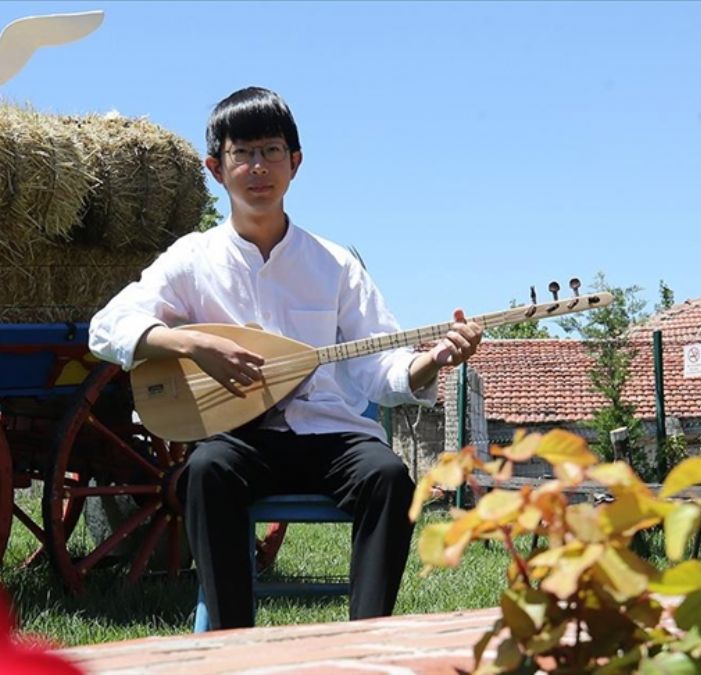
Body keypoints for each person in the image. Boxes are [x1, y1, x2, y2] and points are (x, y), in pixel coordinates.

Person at [88, 86, 482, 629]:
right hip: (240, 440)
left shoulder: (335, 264)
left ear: (295, 163)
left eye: (272, 151)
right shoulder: (192, 259)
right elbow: (106, 327)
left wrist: (433, 360)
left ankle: (365, 641)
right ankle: (232, 648)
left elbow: (380, 368)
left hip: (330, 437)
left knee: (388, 476)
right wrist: (192, 344)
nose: (258, 167)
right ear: (215, 168)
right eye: (242, 153)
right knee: (205, 471)